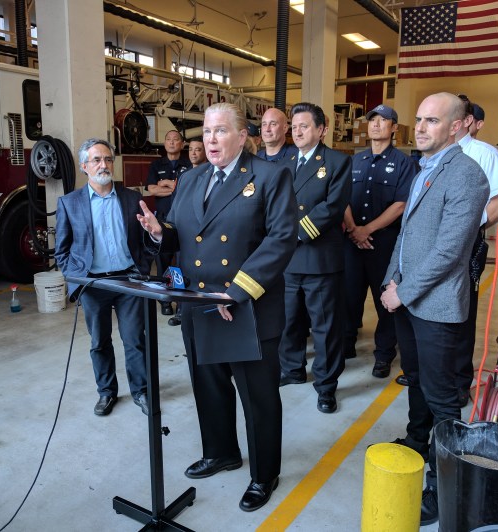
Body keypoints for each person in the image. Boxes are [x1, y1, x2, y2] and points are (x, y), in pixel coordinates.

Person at [137, 102, 298, 512]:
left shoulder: (268, 175)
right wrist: (160, 232)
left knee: (257, 397)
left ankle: (264, 474)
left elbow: (281, 239)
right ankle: (221, 451)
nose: (211, 139)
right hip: (200, 304)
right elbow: (182, 231)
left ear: (243, 137)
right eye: (207, 132)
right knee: (208, 387)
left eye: (221, 131)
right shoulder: (190, 179)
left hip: (245, 306)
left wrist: (239, 292)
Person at [379, 93, 489, 525]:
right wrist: (392, 279)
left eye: (432, 121)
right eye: (419, 119)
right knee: (418, 379)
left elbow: (448, 251)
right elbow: (406, 238)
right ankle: (416, 440)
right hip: (407, 297)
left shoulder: (467, 175)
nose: (420, 128)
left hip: (436, 305)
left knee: (444, 398)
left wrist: (403, 293)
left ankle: (443, 489)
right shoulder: (425, 168)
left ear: (458, 126)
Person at [55, 138, 151, 417]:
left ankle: (141, 391)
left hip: (128, 281)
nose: (103, 164)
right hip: (94, 284)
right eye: (96, 160)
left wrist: (142, 268)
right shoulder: (70, 203)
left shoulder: (132, 199)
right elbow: (61, 251)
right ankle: (106, 392)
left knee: (134, 339)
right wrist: (78, 280)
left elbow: (146, 240)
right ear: (84, 166)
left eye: (108, 159)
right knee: (99, 342)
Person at [278, 102, 352, 414]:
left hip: (319, 259)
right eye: (293, 126)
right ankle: (292, 369)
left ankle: (325, 386)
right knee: (288, 321)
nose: (297, 131)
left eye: (304, 126)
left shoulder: (336, 161)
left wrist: (293, 231)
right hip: (286, 261)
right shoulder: (283, 161)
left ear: (321, 130)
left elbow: (332, 207)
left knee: (324, 328)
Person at [342, 105, 417, 378]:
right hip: (352, 241)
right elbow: (343, 198)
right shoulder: (354, 161)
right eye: (372, 120)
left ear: (394, 128)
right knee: (349, 297)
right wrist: (353, 230)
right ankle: (346, 344)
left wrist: (366, 230)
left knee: (385, 301)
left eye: (383, 121)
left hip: (383, 243)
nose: (376, 125)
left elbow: (400, 205)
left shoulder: (404, 163)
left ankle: (384, 354)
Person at [453, 95, 498, 407]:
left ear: (465, 121)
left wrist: (469, 226)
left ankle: (460, 380)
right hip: (432, 243)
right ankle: (431, 371)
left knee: (461, 312)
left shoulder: (484, 154)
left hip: (466, 243)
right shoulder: (432, 154)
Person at [146, 129, 191, 316]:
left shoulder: (189, 164)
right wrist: (174, 188)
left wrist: (165, 183)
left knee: (182, 261)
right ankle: (164, 300)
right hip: (163, 220)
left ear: (182, 143)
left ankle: (182, 303)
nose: (172, 142)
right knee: (162, 261)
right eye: (168, 139)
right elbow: (152, 190)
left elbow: (187, 190)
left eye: (176, 139)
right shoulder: (157, 164)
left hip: (185, 221)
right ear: (164, 143)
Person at [167, 137, 208, 327]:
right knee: (180, 272)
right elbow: (176, 205)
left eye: (198, 149)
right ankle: (181, 310)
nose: (193, 153)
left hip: (200, 236)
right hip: (182, 234)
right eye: (191, 149)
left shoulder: (211, 174)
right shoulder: (184, 176)